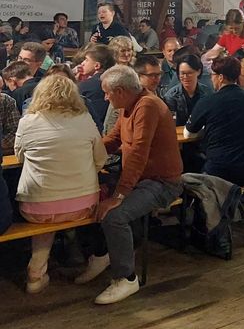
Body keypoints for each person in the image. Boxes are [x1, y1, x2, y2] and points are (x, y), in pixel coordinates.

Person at [76, 65, 183, 305]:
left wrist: (119, 195)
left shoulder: (147, 106)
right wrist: (81, 154)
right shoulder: (130, 105)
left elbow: (137, 153)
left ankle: (126, 278)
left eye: (107, 93)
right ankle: (103, 254)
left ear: (121, 91)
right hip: (141, 179)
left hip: (162, 182)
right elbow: (114, 139)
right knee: (92, 199)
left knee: (115, 215)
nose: (105, 98)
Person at [14, 75, 107, 293]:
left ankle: (36, 273)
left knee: (45, 208)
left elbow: (20, 157)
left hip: (36, 208)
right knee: (80, 199)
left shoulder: (27, 121)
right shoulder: (84, 119)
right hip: (83, 205)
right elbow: (101, 159)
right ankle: (83, 251)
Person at [184, 56, 244, 244]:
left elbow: (188, 132)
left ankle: (211, 228)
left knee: (204, 170)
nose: (211, 79)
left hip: (223, 171)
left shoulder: (209, 101)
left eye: (212, 75)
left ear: (220, 77)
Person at [162, 54, 209, 126]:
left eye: (189, 73)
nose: (185, 77)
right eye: (182, 73)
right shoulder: (171, 96)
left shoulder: (208, 92)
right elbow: (170, 123)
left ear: (198, 72)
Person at [77, 44, 116, 130]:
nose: (82, 63)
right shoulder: (115, 81)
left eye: (86, 60)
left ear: (97, 65)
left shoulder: (87, 85)